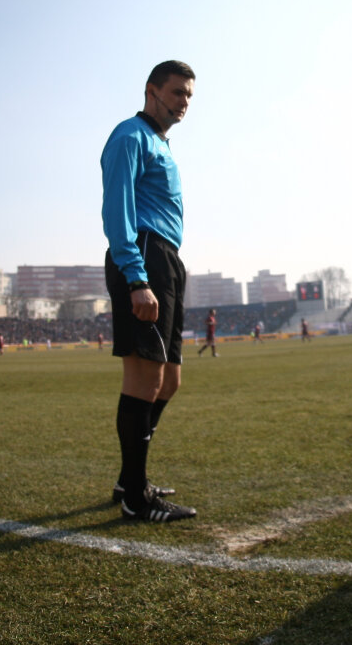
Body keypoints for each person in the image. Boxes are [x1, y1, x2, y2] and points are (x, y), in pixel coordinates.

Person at [101, 59, 198, 523]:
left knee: (170, 380)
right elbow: (117, 210)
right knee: (144, 380)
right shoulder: (130, 137)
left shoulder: (162, 144)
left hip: (168, 261)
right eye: (178, 92)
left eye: (189, 96)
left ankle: (129, 479)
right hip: (143, 255)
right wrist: (137, 278)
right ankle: (136, 499)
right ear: (151, 91)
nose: (184, 103)